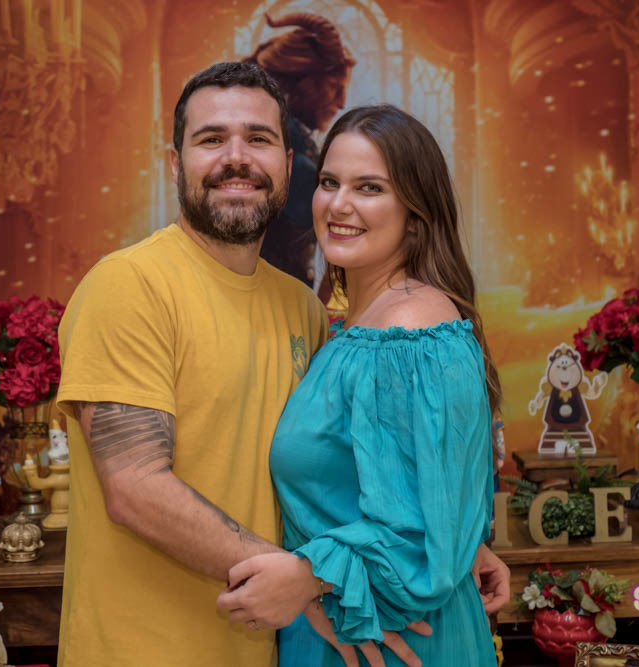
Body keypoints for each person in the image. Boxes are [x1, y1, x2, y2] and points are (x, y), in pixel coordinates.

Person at [56, 63, 508, 666]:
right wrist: (319, 580)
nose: (236, 158)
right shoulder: (128, 286)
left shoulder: (301, 307)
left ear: (287, 165)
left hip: (285, 642)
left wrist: (445, 537)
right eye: (211, 139)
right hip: (150, 649)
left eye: (259, 138)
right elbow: (135, 487)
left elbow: (363, 466)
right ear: (174, 164)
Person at [217, 105, 503, 666]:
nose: (339, 204)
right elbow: (421, 492)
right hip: (345, 621)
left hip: (392, 638)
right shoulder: (359, 326)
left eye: (369, 188)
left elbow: (421, 536)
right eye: (330, 182)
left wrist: (311, 575)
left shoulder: (410, 332)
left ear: (415, 215)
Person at [246, 12, 356, 291]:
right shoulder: (289, 157)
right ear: (305, 84)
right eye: (334, 89)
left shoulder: (289, 139)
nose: (342, 103)